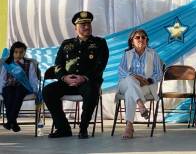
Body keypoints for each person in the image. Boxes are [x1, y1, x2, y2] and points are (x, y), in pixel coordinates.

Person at [43, 11, 109, 139]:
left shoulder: (100, 43)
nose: (87, 27)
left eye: (88, 24)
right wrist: (64, 77)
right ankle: (63, 128)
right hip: (68, 81)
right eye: (83, 24)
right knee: (48, 91)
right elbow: (58, 64)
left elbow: (100, 65)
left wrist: (84, 77)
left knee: (91, 91)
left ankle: (83, 128)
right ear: (76, 28)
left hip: (88, 82)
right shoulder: (66, 44)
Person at [117, 29, 163, 139]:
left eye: (143, 37)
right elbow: (121, 71)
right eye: (137, 37)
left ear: (147, 40)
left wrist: (148, 80)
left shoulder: (153, 54)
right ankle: (140, 104)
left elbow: (159, 73)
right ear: (132, 41)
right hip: (125, 84)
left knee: (130, 94)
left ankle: (129, 125)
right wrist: (136, 77)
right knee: (130, 79)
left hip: (146, 86)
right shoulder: (126, 54)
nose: (141, 39)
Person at [0, 41, 39, 132]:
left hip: (23, 86)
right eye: (16, 52)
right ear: (12, 52)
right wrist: (1, 90)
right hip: (9, 86)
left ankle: (10, 121)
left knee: (18, 94)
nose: (18, 54)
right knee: (7, 94)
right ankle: (13, 122)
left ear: (25, 52)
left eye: (21, 52)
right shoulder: (7, 63)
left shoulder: (30, 64)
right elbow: (2, 78)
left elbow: (33, 78)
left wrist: (35, 90)